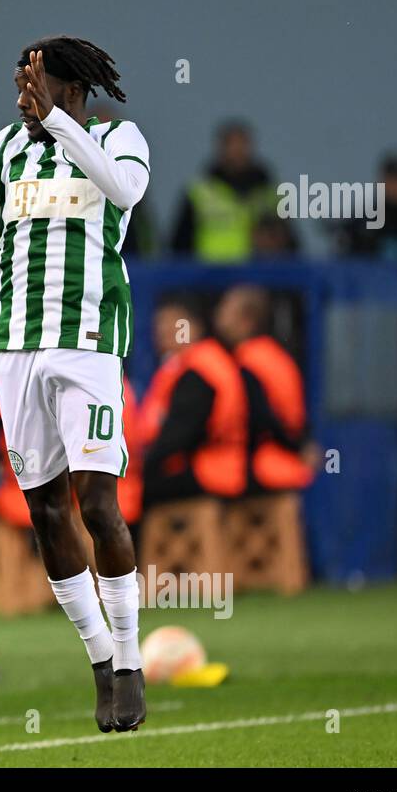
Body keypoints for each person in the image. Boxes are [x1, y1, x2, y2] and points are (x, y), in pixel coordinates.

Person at [0, 37, 149, 731]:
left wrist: (62, 119)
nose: (22, 100)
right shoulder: (8, 148)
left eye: (33, 87)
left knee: (98, 504)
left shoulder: (119, 138)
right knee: (46, 510)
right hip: (13, 349)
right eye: (19, 87)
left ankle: (131, 661)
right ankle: (100, 659)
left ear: (72, 88)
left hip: (89, 344)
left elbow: (125, 189)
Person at [135, 294, 248, 510]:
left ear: (195, 327)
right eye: (160, 324)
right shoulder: (183, 366)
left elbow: (181, 435)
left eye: (175, 323)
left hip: (209, 471)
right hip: (214, 467)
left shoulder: (199, 371)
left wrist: (141, 466)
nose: (164, 330)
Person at [213, 287, 314, 493]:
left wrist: (296, 447)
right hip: (288, 467)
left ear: (247, 320)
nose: (218, 318)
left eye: (225, 311)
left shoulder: (249, 362)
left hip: (262, 469)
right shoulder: (277, 356)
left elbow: (262, 417)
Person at [170, 120, 279, 262]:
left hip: (258, 276)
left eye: (242, 145)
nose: (237, 152)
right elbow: (179, 245)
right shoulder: (199, 192)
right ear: (221, 149)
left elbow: (290, 245)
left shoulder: (269, 193)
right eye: (232, 145)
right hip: (210, 278)